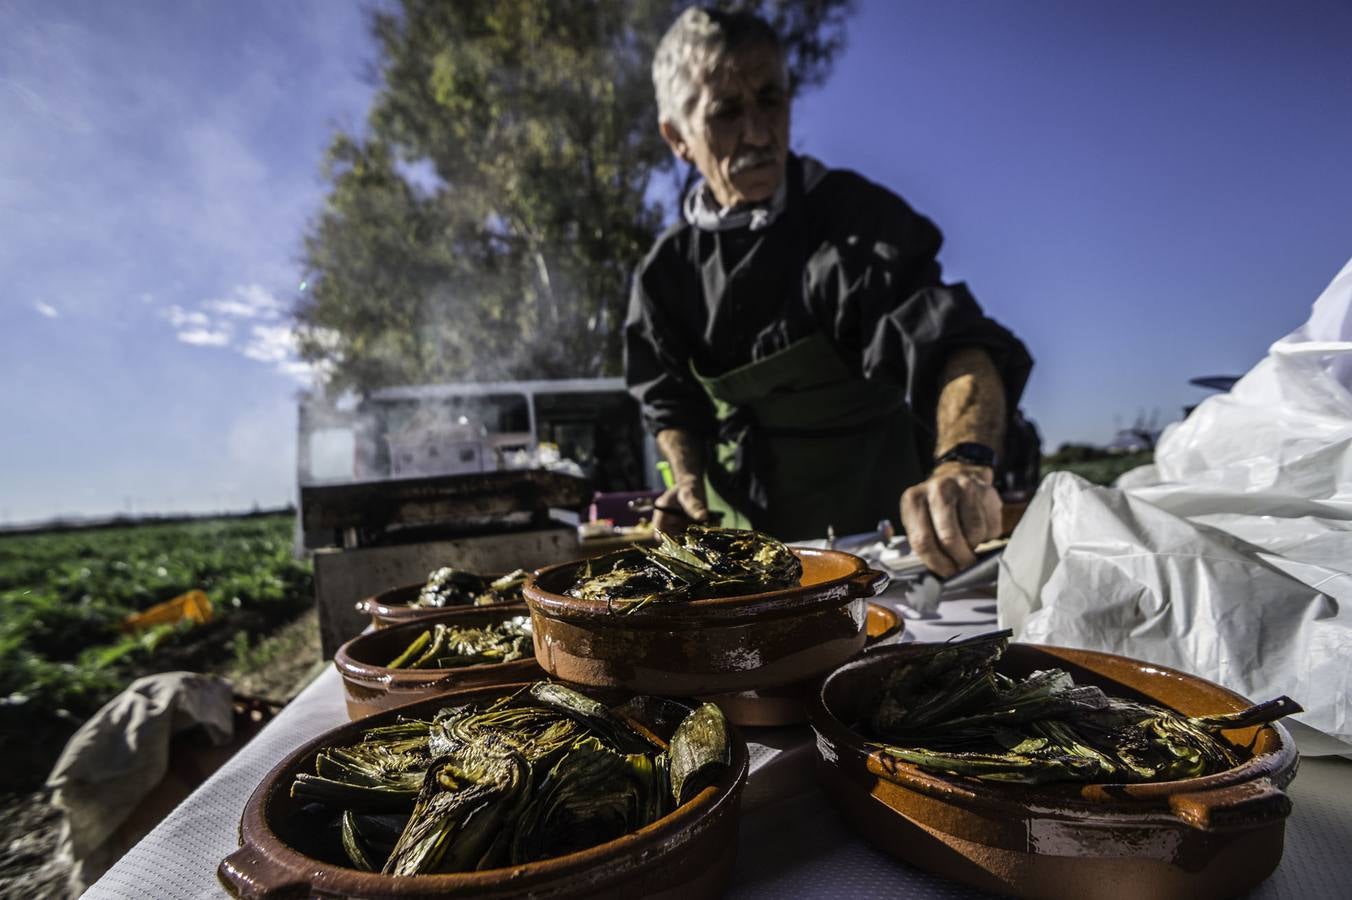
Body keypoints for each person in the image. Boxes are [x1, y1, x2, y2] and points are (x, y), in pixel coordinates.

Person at [624, 7, 1035, 577]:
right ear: (677, 137)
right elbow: (670, 404)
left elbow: (953, 345)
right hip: (742, 562)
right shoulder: (664, 274)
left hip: (884, 550)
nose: (759, 133)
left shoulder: (852, 222)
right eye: (726, 112)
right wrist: (686, 484)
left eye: (771, 100)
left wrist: (964, 464)